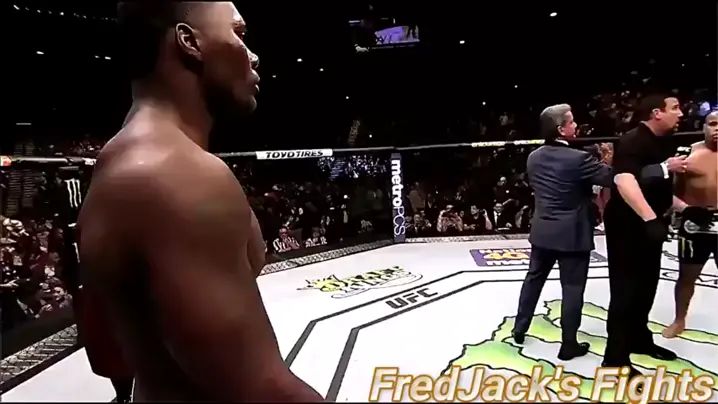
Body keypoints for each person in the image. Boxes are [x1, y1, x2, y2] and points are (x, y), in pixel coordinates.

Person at [76, 2, 323, 401]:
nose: (253, 56)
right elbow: (262, 391)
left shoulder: (136, 158)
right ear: (189, 42)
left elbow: (115, 348)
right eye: (239, 34)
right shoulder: (169, 174)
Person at [602, 94, 711, 378]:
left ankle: (639, 338)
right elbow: (624, 180)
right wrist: (649, 218)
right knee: (626, 291)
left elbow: (656, 187)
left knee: (646, 287)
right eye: (674, 108)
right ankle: (615, 360)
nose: (681, 113)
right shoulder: (632, 140)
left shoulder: (661, 141)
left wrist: (686, 209)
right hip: (628, 226)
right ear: (656, 113)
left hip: (650, 225)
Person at [512, 104, 613, 360]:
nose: (576, 125)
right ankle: (568, 344)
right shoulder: (578, 159)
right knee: (572, 288)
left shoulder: (534, 157)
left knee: (533, 279)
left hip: (543, 230)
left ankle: (519, 328)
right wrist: (607, 159)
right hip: (572, 233)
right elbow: (611, 178)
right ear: (561, 129)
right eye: (571, 122)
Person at [56, 168, 135, 403]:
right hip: (106, 290)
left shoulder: (94, 216)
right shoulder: (92, 218)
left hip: (111, 288)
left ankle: (125, 395)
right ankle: (124, 395)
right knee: (117, 349)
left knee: (120, 348)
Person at [663, 111, 718, 338]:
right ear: (703, 127)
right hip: (694, 222)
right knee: (687, 275)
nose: (717, 129)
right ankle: (679, 320)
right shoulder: (686, 155)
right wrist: (686, 209)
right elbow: (668, 193)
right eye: (712, 124)